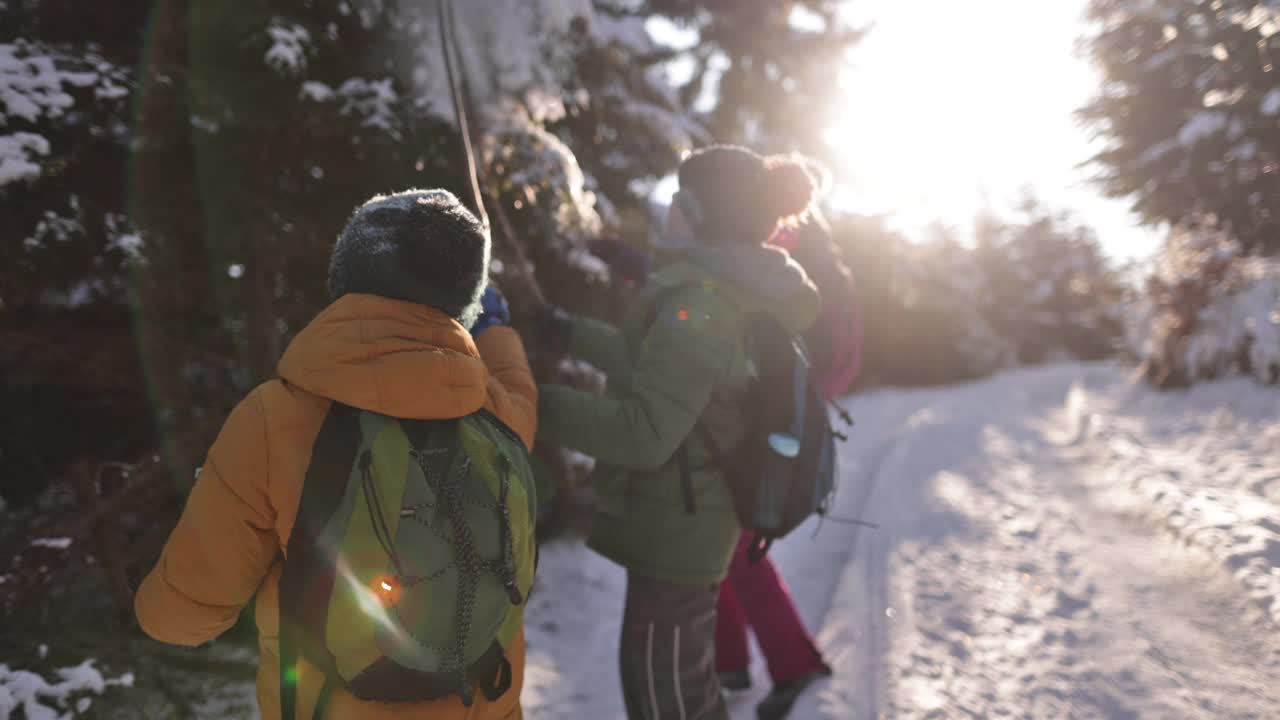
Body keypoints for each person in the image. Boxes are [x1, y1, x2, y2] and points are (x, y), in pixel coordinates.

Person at [135, 189, 537, 720]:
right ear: (462, 300)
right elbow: (522, 396)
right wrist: (495, 325)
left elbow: (181, 618)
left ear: (345, 280)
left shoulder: (275, 418)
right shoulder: (489, 412)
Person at [535, 146, 821, 719]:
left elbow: (645, 432)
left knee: (666, 699)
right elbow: (653, 362)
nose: (666, 210)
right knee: (675, 692)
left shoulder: (705, 301)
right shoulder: (713, 290)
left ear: (698, 212)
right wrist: (568, 331)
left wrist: (532, 404)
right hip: (686, 518)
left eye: (676, 199)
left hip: (681, 530)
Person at [715, 207, 862, 720]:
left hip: (767, 421)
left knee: (738, 548)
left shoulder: (787, 249)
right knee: (727, 545)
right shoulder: (814, 251)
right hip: (773, 415)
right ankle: (731, 661)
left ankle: (795, 664)